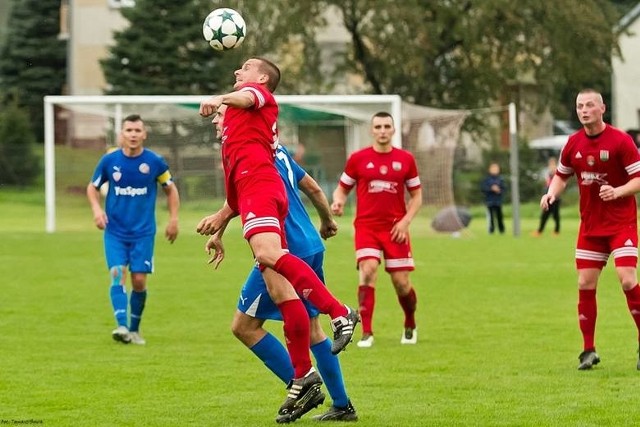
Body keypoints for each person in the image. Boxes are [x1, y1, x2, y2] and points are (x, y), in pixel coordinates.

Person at [196, 57, 359, 420]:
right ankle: (316, 385)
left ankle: (338, 315)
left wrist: (219, 98)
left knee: (251, 309)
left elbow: (248, 97)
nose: (237, 72)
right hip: (284, 220)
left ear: (263, 78)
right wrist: (220, 230)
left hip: (269, 203)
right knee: (293, 307)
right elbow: (235, 200)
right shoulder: (239, 146)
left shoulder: (258, 98)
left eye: (244, 68)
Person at [540, 89, 640, 370]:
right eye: (580, 106)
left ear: (602, 108)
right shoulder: (573, 143)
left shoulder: (621, 141)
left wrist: (618, 191)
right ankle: (588, 350)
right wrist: (551, 194)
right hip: (591, 227)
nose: (584, 110)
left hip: (621, 224)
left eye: (589, 105)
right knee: (585, 283)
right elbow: (562, 175)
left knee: (627, 280)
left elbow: (638, 178)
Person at [86, 114, 180, 345]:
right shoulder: (109, 161)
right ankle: (122, 326)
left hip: (143, 233)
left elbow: (170, 189)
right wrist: (97, 210)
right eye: (129, 130)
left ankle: (134, 330)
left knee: (138, 281)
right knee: (117, 274)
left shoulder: (155, 162)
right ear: (122, 134)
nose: (133, 135)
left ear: (144, 134)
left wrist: (174, 219)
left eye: (138, 130)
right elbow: (92, 187)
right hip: (115, 231)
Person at [331, 111, 422, 348]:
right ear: (372, 130)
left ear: (393, 130)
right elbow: (342, 189)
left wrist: (405, 222)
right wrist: (338, 201)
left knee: (401, 283)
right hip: (367, 227)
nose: (382, 130)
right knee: (368, 269)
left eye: (387, 126)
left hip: (395, 229)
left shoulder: (406, 160)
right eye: (378, 126)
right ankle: (367, 332)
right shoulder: (358, 159)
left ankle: (410, 323)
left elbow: (417, 196)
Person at [533, 157, 560, 236]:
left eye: (553, 165)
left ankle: (556, 231)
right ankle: (539, 231)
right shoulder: (548, 175)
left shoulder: (557, 175)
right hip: (548, 198)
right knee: (544, 215)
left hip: (555, 199)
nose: (552, 167)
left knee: (555, 215)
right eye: (550, 165)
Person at [480, 162, 506, 234]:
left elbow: (504, 189)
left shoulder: (500, 179)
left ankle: (501, 230)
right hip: (489, 201)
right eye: (493, 168)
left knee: (499, 216)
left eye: (496, 168)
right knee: (491, 217)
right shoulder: (487, 179)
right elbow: (483, 189)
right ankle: (491, 230)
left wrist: (499, 190)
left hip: (498, 201)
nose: (495, 170)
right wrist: (491, 189)